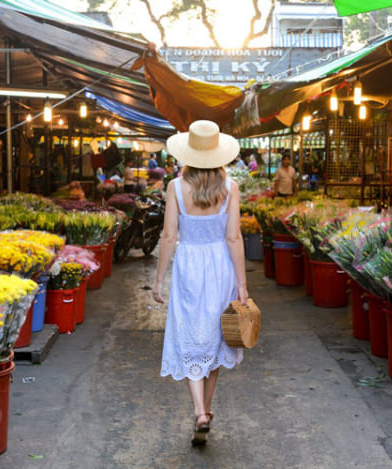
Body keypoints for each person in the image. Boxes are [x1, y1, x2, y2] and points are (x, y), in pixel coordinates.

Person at [153, 120, 249, 446]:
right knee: (216, 339)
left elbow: (168, 237)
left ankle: (199, 411)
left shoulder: (175, 188)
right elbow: (234, 238)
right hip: (220, 267)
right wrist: (243, 285)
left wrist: (158, 281)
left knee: (189, 338)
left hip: (188, 267)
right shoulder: (230, 188)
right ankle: (205, 411)